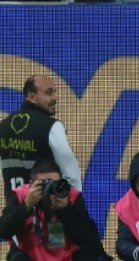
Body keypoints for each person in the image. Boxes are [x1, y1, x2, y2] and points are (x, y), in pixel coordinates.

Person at [0, 161, 111, 261]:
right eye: (44, 184)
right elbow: (4, 231)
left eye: (54, 183)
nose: (49, 189)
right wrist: (26, 205)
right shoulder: (20, 196)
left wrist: (66, 210)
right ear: (31, 184)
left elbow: (90, 240)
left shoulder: (71, 196)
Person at [0, 75, 82, 209]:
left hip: (15, 213)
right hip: (46, 216)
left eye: (55, 92)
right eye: (48, 93)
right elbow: (71, 173)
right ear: (31, 97)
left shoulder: (3, 126)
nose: (55, 98)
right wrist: (74, 206)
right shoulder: (52, 127)